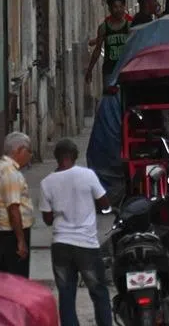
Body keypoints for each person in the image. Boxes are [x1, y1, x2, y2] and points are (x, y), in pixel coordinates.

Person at [40, 138, 112, 326]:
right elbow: (104, 203)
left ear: (56, 157)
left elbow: (47, 219)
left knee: (66, 294)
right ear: (75, 156)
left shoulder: (46, 183)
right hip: (86, 245)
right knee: (99, 292)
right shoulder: (87, 175)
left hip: (61, 245)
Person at [0, 132, 34, 276]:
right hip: (12, 232)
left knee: (5, 275)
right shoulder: (9, 172)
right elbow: (13, 208)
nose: (30, 156)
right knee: (17, 277)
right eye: (29, 151)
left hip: (2, 230)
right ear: (19, 150)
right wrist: (21, 241)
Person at [86, 0, 131, 90]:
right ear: (110, 9)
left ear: (124, 7)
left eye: (120, 6)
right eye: (115, 7)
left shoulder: (129, 26)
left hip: (126, 68)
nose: (118, 10)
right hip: (110, 69)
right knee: (109, 96)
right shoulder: (104, 28)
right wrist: (90, 70)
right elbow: (97, 49)